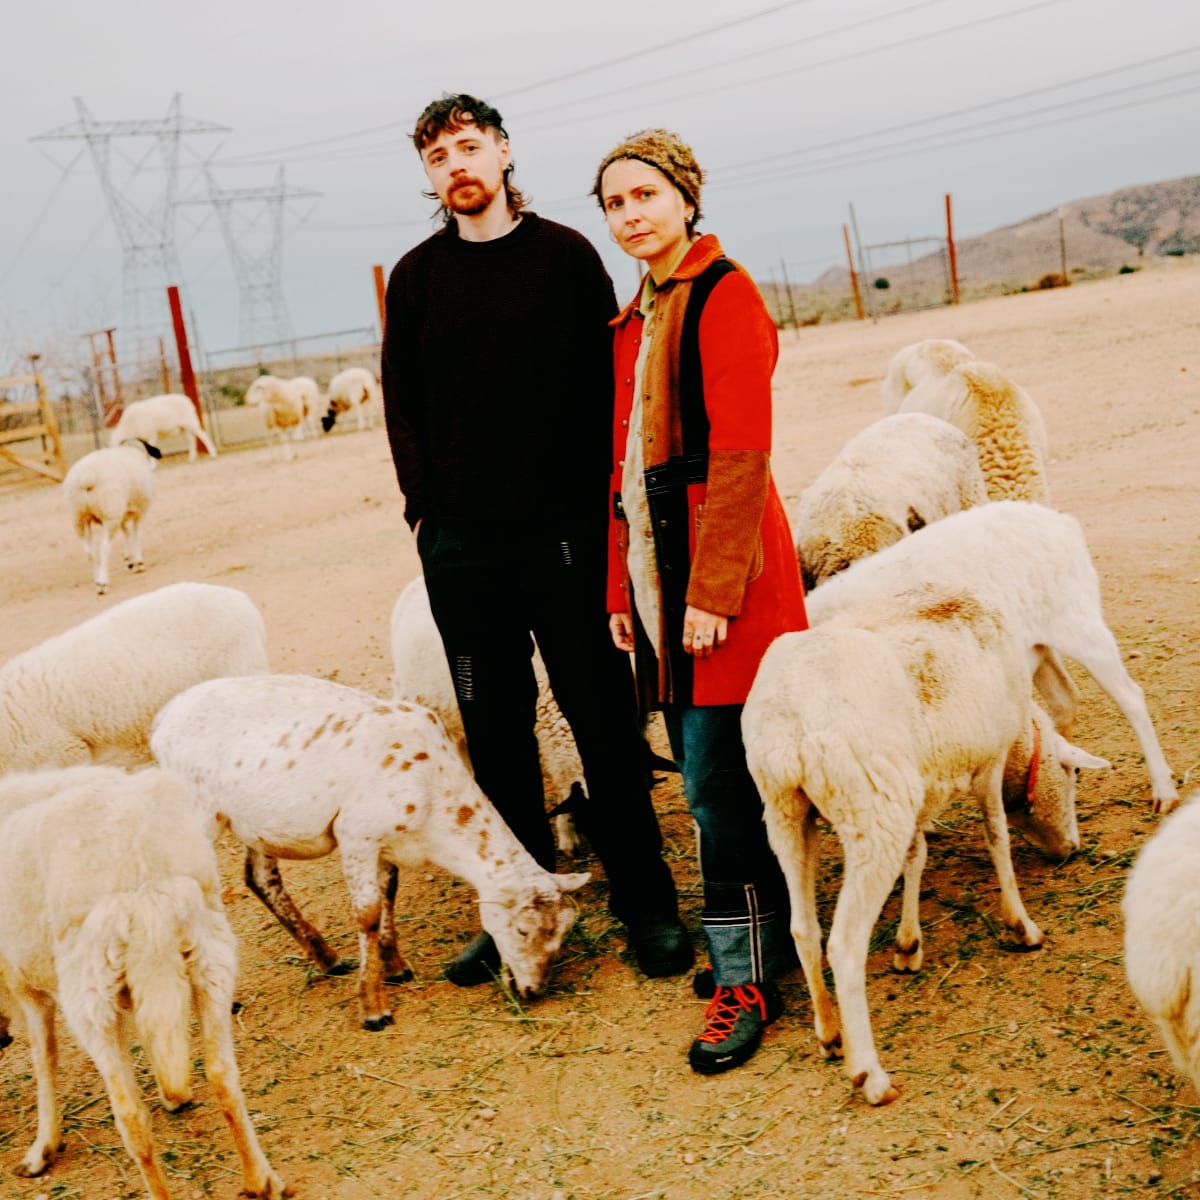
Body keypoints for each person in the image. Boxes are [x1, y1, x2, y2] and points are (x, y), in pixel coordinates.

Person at [380, 94, 692, 987]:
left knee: (602, 724)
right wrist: (425, 519)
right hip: (463, 551)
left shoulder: (565, 257)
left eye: (469, 147)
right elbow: (405, 407)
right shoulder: (416, 278)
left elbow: (606, 395)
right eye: (438, 157)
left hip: (563, 541)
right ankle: (515, 906)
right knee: (496, 733)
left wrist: (599, 520)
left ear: (505, 152)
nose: (456, 167)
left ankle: (650, 905)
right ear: (430, 175)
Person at [593, 129, 808, 1074]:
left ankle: (746, 979)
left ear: (685, 198)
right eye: (614, 204)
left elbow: (740, 453)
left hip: (722, 587)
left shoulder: (724, 296)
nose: (629, 215)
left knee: (718, 790)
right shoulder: (636, 317)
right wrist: (617, 590)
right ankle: (758, 944)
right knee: (704, 775)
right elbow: (623, 474)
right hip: (658, 582)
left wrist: (714, 592)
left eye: (644, 196)